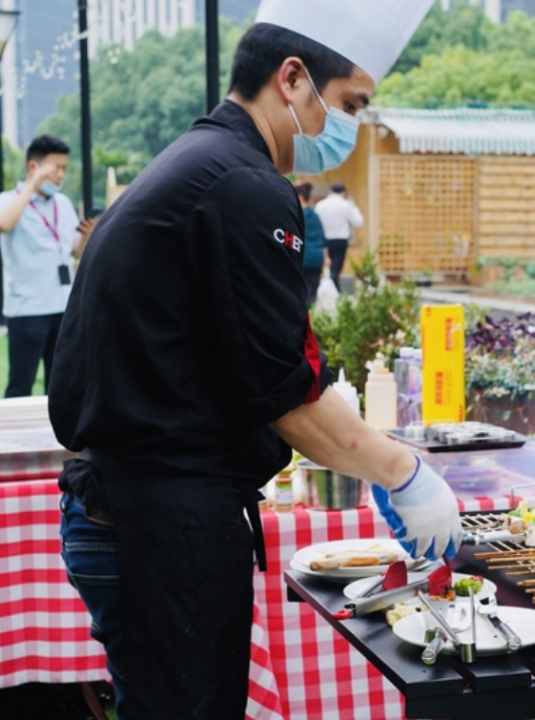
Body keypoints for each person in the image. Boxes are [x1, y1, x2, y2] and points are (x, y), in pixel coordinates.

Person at [47, 1, 454, 718]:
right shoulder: (241, 183)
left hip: (132, 508)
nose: (350, 126)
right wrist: (405, 472)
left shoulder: (201, 162)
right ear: (293, 78)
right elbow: (283, 392)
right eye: (351, 103)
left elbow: (246, 358)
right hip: (160, 522)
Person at [0, 135, 95, 398]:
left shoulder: (62, 203)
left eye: (64, 168)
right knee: (20, 386)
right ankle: (10, 439)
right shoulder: (7, 200)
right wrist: (32, 185)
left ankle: (55, 439)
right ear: (33, 167)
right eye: (55, 168)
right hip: (27, 310)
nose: (61, 175)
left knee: (60, 387)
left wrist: (86, 235)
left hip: (62, 307)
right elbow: (3, 224)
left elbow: (75, 252)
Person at [314, 181, 363, 291]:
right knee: (335, 270)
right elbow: (358, 222)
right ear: (344, 192)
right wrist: (354, 206)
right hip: (340, 241)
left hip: (324, 240)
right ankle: (335, 293)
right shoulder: (345, 205)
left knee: (324, 270)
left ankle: (325, 294)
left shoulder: (320, 205)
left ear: (330, 191)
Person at [296, 182, 327, 305]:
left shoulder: (296, 215)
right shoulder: (315, 216)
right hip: (316, 258)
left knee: (299, 294)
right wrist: (326, 258)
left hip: (301, 258)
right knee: (312, 295)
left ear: (300, 196)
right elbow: (323, 239)